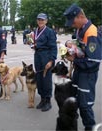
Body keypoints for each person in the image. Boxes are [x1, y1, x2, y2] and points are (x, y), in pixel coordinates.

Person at [63, 3, 102, 131]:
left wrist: (74, 59)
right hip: (79, 71)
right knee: (74, 100)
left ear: (80, 16)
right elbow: (80, 47)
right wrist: (69, 45)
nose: (72, 26)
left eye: (73, 23)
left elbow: (93, 61)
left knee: (85, 106)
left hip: (88, 74)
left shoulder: (92, 32)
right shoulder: (80, 29)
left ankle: (90, 128)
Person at [33, 13, 57, 111]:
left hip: (46, 56)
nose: (40, 21)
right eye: (39, 19)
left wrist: (51, 60)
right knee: (39, 78)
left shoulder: (49, 31)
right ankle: (42, 99)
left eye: (42, 20)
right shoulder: (36, 31)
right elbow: (36, 44)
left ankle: (48, 101)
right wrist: (33, 45)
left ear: (46, 21)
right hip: (37, 56)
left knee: (46, 79)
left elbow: (53, 47)